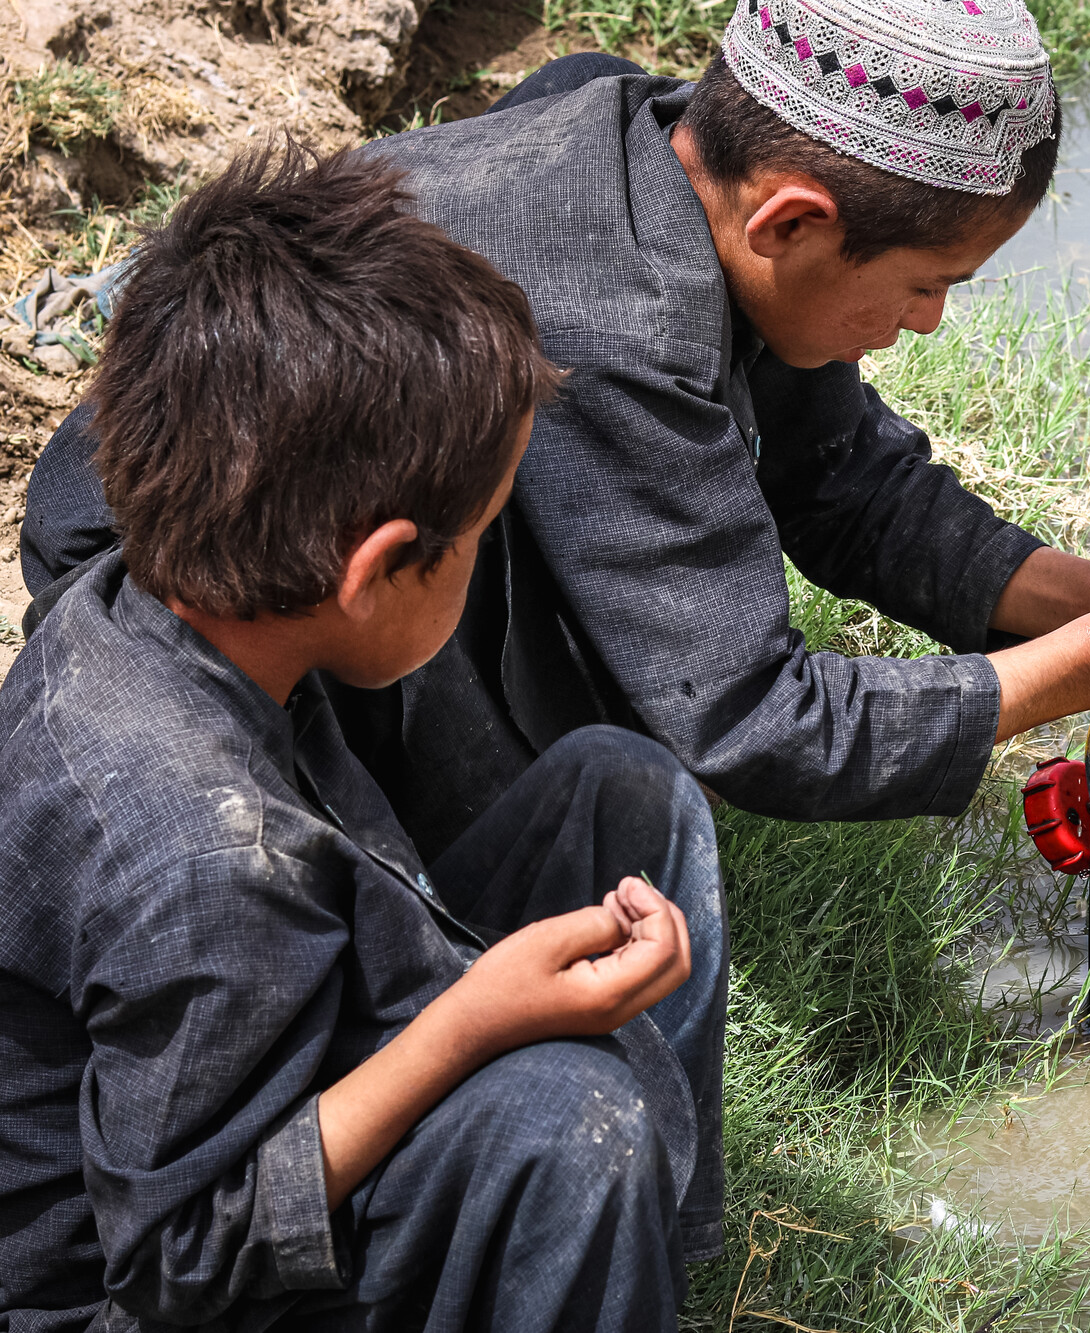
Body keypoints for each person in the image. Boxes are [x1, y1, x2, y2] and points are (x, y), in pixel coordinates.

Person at [17, 0, 1090, 858]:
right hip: (196, 590)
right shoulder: (619, 325)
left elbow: (841, 482)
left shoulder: (669, 154)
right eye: (930, 284)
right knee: (600, 813)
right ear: (791, 223)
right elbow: (756, 717)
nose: (930, 322)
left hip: (282, 508)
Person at [0, 144, 727, 1331]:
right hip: (135, 1283)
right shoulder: (205, 863)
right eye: (481, 534)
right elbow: (184, 1255)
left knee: (621, 794)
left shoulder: (170, 591)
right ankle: (591, 1235)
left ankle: (657, 1272)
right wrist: (471, 1022)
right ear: (380, 565)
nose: (485, 557)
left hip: (232, 1065)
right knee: (565, 1123)